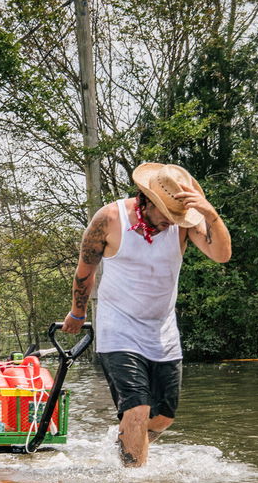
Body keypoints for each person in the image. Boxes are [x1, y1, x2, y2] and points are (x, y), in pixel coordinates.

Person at [62, 163, 231, 467]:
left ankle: (125, 445)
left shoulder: (184, 223)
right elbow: (85, 269)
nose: (171, 223)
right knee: (138, 408)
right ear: (147, 200)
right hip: (119, 330)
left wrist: (210, 213)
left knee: (163, 417)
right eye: (167, 216)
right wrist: (78, 311)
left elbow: (221, 254)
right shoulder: (109, 218)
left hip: (162, 332)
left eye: (177, 217)